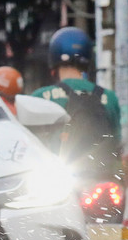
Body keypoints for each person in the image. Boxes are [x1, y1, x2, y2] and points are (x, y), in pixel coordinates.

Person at [30, 26, 122, 182]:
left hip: (56, 179)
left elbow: (30, 145)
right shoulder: (109, 97)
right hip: (102, 178)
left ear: (54, 58)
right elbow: (117, 140)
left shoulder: (40, 97)